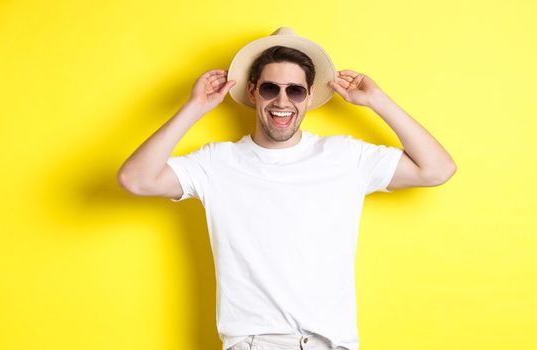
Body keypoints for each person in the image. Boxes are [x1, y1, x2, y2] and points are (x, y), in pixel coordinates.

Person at [117, 27, 455, 350]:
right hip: (254, 342)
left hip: (331, 343)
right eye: (270, 88)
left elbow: (437, 168)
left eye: (295, 90)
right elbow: (136, 179)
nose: (282, 100)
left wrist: (378, 100)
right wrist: (195, 108)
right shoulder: (217, 163)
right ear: (252, 92)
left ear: (308, 97)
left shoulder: (345, 156)